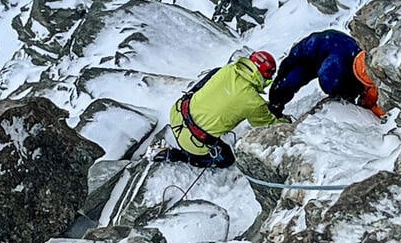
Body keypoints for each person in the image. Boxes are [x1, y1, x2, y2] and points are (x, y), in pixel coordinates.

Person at [154, 51, 288, 168]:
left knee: (213, 74)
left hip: (177, 113)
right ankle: (186, 157)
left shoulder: (227, 69)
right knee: (227, 159)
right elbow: (269, 125)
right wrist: (286, 121)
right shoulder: (253, 102)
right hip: (194, 143)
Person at [268, 30, 386, 118]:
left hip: (325, 49)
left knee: (286, 82)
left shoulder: (358, 61)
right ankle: (274, 108)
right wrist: (343, 95)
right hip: (308, 58)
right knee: (288, 83)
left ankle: (275, 104)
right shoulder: (336, 64)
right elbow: (328, 80)